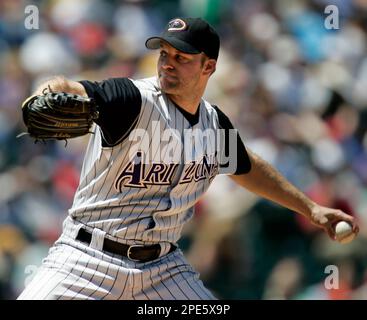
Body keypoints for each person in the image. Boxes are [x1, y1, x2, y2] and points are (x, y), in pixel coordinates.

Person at [18, 17, 358, 300]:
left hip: (162, 270)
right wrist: (46, 92)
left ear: (208, 66)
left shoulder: (213, 124)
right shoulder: (132, 99)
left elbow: (247, 167)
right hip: (86, 259)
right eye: (164, 53)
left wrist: (311, 209)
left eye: (181, 57)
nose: (168, 62)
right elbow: (69, 87)